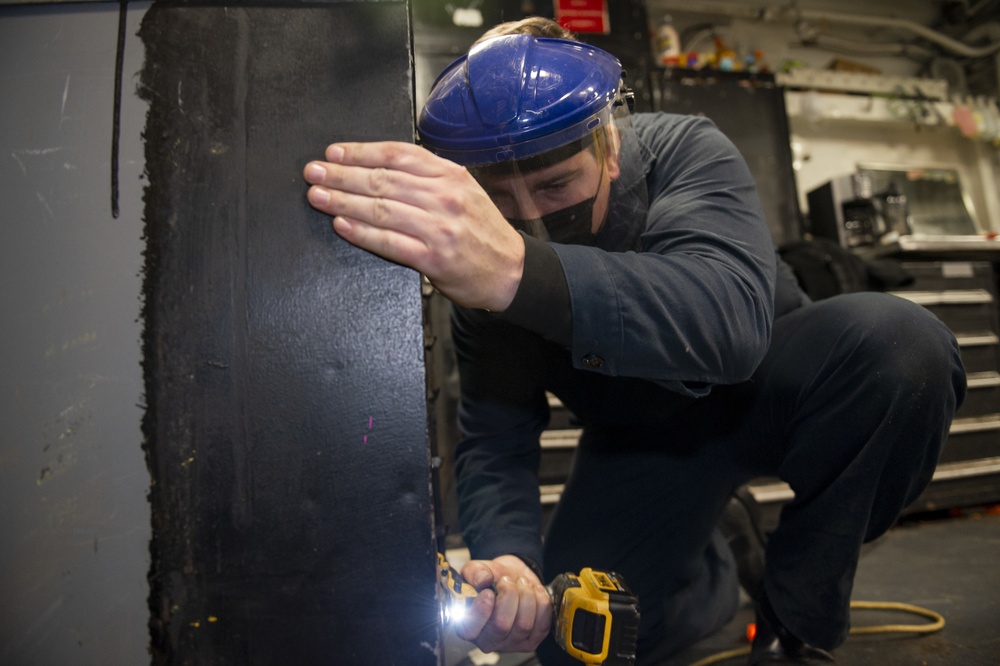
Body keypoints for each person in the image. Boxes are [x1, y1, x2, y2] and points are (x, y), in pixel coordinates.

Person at [303, 17, 966, 665]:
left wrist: (515, 270)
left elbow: (728, 326)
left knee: (904, 350)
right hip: (641, 442)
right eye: (497, 199)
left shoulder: (686, 150)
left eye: (556, 183)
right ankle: (710, 552)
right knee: (575, 646)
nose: (529, 219)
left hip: (765, 389)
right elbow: (495, 440)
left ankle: (796, 617)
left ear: (610, 147)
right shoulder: (474, 276)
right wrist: (507, 557)